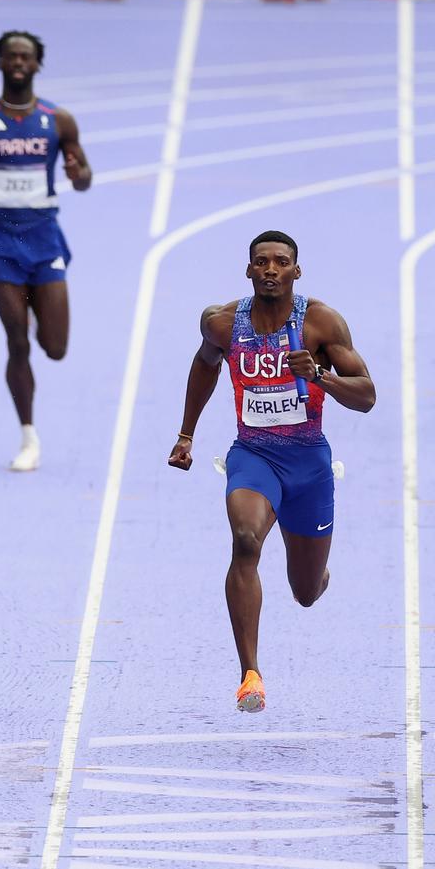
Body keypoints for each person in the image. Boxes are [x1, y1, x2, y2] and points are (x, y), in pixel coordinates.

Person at [169, 231, 375, 715]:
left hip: (308, 465)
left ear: (295, 272)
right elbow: (204, 367)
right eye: (260, 262)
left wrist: (319, 376)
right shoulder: (222, 324)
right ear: (248, 270)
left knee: (305, 593)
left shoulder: (321, 323)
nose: (270, 269)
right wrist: (186, 434)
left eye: (280, 262)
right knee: (245, 539)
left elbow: (367, 395)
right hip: (253, 456)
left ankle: (316, 573)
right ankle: (250, 675)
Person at [0, 30, 91, 473]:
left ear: (36, 64)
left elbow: (85, 179)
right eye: (10, 55)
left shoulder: (59, 120)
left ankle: (33, 310)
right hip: (0, 240)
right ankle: (28, 436)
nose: (17, 62)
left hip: (45, 236)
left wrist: (76, 170)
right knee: (16, 341)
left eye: (25, 56)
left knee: (54, 348)